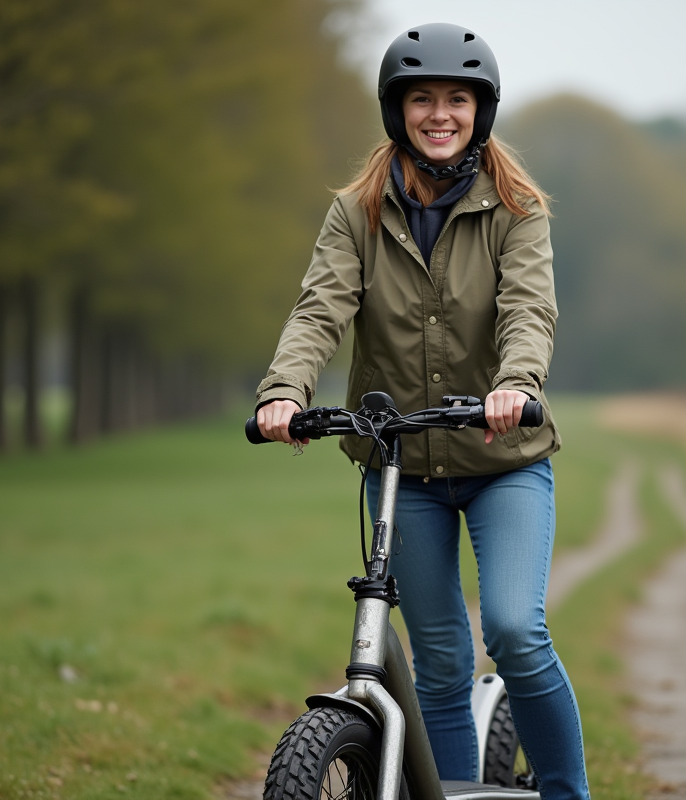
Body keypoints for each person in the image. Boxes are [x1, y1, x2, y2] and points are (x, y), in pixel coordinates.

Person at [255, 22, 590, 800]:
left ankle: (568, 794)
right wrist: (284, 389)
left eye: (457, 99)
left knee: (513, 629)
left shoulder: (518, 209)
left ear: (482, 110)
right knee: (438, 657)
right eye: (423, 99)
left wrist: (516, 385)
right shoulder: (356, 213)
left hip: (502, 461)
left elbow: (529, 313)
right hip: (401, 464)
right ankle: (459, 792)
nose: (440, 114)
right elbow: (319, 309)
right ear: (396, 109)